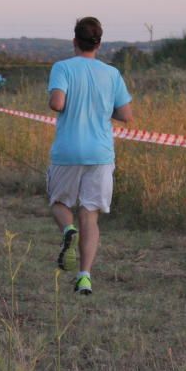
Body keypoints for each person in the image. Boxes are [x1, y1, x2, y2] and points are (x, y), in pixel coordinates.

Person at [46, 17, 132, 296]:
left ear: (74, 41)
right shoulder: (112, 73)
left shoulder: (62, 67)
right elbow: (126, 115)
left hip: (68, 151)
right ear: (99, 43)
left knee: (59, 202)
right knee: (90, 215)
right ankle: (84, 277)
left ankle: (68, 231)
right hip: (100, 153)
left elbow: (56, 103)